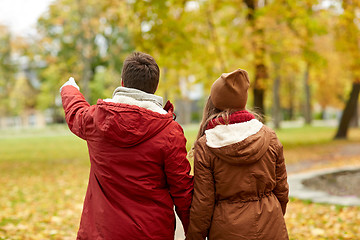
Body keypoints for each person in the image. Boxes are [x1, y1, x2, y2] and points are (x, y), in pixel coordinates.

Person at [60, 52, 194, 240]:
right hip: (152, 232)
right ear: (154, 88)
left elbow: (75, 112)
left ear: (122, 82)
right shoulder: (170, 132)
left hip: (102, 232)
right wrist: (194, 232)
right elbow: (182, 190)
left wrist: (69, 88)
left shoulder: (96, 119)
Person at [186, 69, 289, 240]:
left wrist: (194, 236)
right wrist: (273, 216)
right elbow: (282, 191)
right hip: (272, 227)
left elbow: (203, 204)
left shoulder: (206, 145)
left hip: (227, 230)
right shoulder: (269, 137)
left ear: (214, 102)